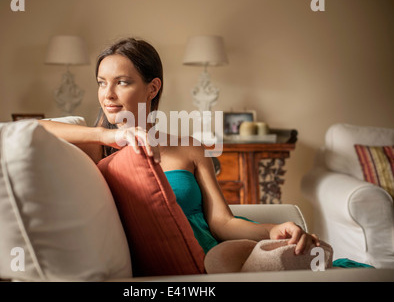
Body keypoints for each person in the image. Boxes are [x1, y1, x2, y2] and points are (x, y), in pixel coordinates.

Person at [39, 37, 320, 268]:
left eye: (122, 82)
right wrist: (111, 135)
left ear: (153, 88)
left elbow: (222, 222)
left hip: (216, 250)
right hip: (165, 261)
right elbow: (31, 129)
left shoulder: (189, 147)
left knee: (277, 252)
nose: (107, 94)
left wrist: (271, 229)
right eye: (102, 82)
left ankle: (269, 255)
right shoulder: (96, 148)